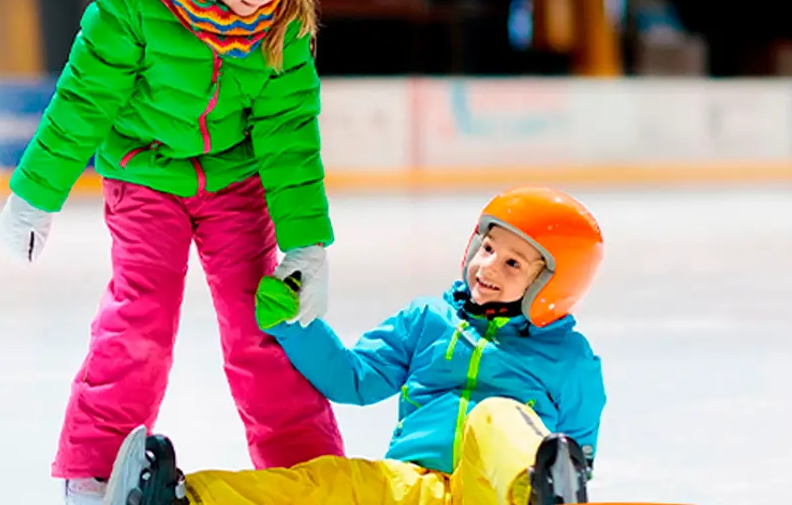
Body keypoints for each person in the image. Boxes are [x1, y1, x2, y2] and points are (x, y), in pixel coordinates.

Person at [0, 0, 344, 503]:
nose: (258, 4)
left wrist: (306, 241)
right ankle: (98, 468)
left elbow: (288, 136)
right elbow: (82, 103)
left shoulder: (281, 23)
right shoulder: (130, 3)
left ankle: (306, 470)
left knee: (267, 322)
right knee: (142, 318)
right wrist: (35, 196)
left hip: (236, 184)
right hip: (145, 179)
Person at [103, 186, 608, 505]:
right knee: (325, 482)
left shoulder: (571, 361)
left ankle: (536, 497)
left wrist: (552, 478)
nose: (487, 267)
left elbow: (576, 454)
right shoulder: (428, 320)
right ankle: (182, 498)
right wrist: (295, 324)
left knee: (497, 415)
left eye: (513, 264)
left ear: (555, 285)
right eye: (489, 247)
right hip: (411, 486)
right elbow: (355, 378)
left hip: (496, 495)